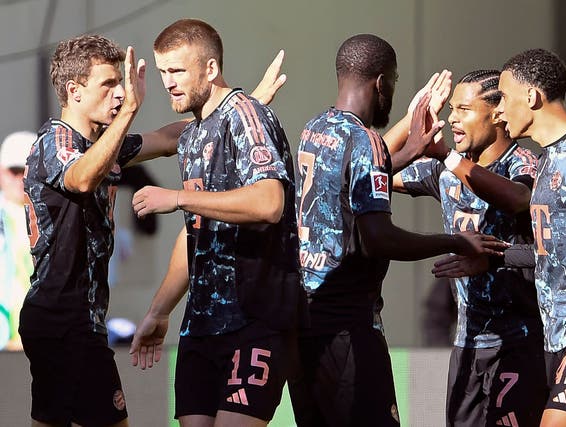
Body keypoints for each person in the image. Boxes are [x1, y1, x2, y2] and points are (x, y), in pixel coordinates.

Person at [19, 33, 286, 427]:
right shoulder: (55, 140)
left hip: (76, 321)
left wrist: (239, 107)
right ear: (74, 92)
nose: (119, 94)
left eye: (120, 85)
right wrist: (130, 109)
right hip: (60, 317)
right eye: (109, 84)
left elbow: (169, 139)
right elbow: (79, 178)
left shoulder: (103, 145)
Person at [288, 34, 509, 427]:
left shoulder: (316, 128)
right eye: (393, 81)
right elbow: (379, 238)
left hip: (305, 325)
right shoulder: (365, 140)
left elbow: (348, 188)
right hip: (347, 327)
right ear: (380, 83)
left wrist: (408, 151)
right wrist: (457, 241)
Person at [436, 48, 566, 427]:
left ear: (531, 98)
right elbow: (551, 251)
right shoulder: (546, 161)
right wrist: (495, 258)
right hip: (555, 335)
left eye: (506, 101)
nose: (500, 112)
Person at [127, 19, 305, 427]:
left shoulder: (246, 114)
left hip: (254, 321)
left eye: (178, 71)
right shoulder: (193, 133)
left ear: (210, 68)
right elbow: (195, 234)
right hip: (201, 326)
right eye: (162, 72)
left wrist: (176, 198)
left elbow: (269, 202)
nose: (169, 82)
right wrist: (158, 311)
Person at [391, 70, 547, 426]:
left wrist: (446, 154)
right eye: (451, 110)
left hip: (519, 345)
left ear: (496, 114)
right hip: (467, 345)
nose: (451, 118)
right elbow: (372, 171)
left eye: (463, 109)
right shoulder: (443, 172)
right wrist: (412, 124)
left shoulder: (523, 165)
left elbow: (517, 199)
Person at [0, 130, 36, 351]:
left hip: (44, 343)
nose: (22, 178)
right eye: (16, 171)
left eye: (28, 170)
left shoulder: (55, 217)